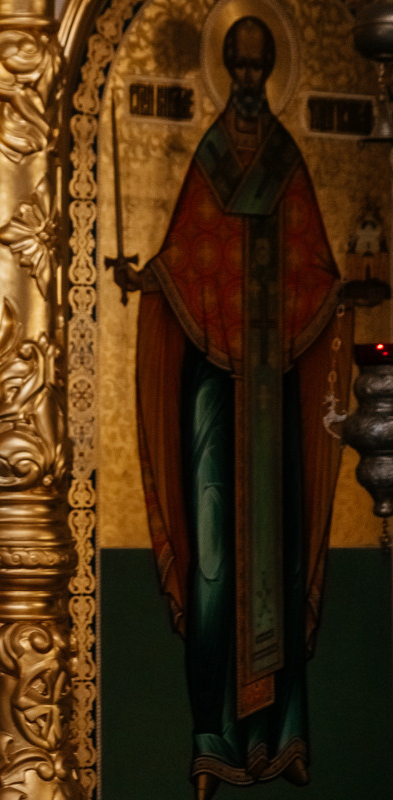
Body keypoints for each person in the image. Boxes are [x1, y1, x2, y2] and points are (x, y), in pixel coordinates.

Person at [116, 16, 351, 799]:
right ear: (227, 69)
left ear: (270, 70)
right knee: (215, 567)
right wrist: (150, 280)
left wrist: (341, 294)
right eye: (238, 67)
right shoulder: (210, 159)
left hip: (275, 392)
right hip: (216, 391)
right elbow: (185, 258)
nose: (248, 81)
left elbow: (314, 266)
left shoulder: (287, 163)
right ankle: (212, 740)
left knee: (281, 561)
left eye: (257, 67)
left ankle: (284, 737)